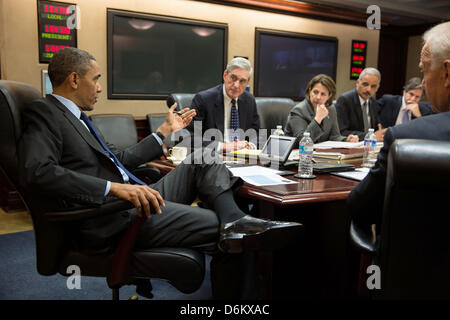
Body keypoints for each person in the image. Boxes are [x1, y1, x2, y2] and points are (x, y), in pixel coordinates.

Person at [17, 48, 302, 299]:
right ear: (75, 80)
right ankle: (237, 268)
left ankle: (235, 220)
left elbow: (123, 159)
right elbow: (38, 172)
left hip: (136, 199)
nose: (100, 88)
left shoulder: (80, 118)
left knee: (203, 155)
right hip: (112, 216)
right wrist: (113, 189)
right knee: (235, 237)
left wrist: (164, 132)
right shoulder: (46, 112)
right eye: (97, 79)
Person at [347, 21, 450, 233]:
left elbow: (360, 208)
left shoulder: (406, 138)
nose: (422, 84)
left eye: (424, 71)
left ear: (447, 73)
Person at [187, 57, 260, 152]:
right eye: (233, 78)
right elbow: (190, 137)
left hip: (242, 158)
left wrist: (249, 145)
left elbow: (257, 133)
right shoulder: (204, 100)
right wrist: (224, 146)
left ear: (247, 83)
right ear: (225, 75)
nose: (236, 85)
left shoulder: (249, 100)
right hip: (214, 157)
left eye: (242, 81)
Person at [284, 74, 359, 143]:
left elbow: (334, 136)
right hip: (297, 154)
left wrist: (346, 140)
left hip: (319, 154)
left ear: (329, 96)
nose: (318, 97)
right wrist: (318, 119)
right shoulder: (298, 111)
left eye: (323, 94)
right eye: (315, 92)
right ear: (310, 91)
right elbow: (302, 141)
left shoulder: (330, 109)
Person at [335, 67, 387, 141]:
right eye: (365, 84)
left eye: (373, 86)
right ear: (357, 83)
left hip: (369, 146)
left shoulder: (373, 102)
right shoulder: (345, 100)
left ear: (377, 88)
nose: (368, 89)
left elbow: (375, 129)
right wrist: (370, 136)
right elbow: (341, 132)